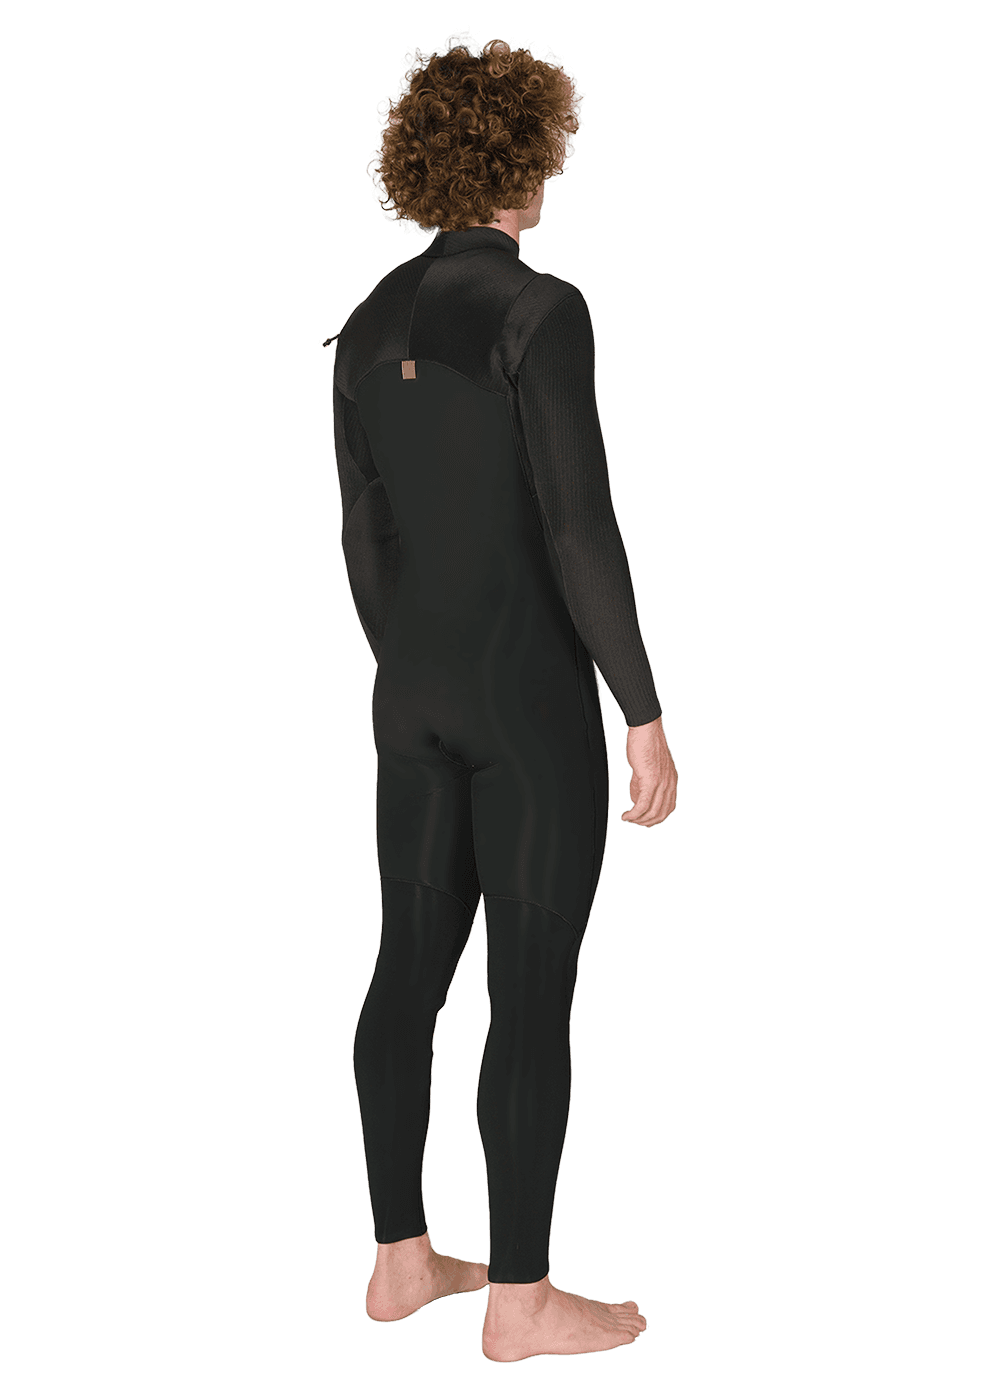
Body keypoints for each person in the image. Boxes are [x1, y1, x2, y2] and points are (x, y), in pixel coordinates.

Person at [335, 35, 677, 1361]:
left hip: (409, 698)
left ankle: (399, 1264)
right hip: (527, 703)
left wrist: (412, 662)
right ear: (525, 160)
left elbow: (365, 541)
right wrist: (640, 710)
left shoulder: (365, 324)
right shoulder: (544, 310)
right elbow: (581, 526)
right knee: (529, 992)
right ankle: (523, 1303)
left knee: (403, 972)